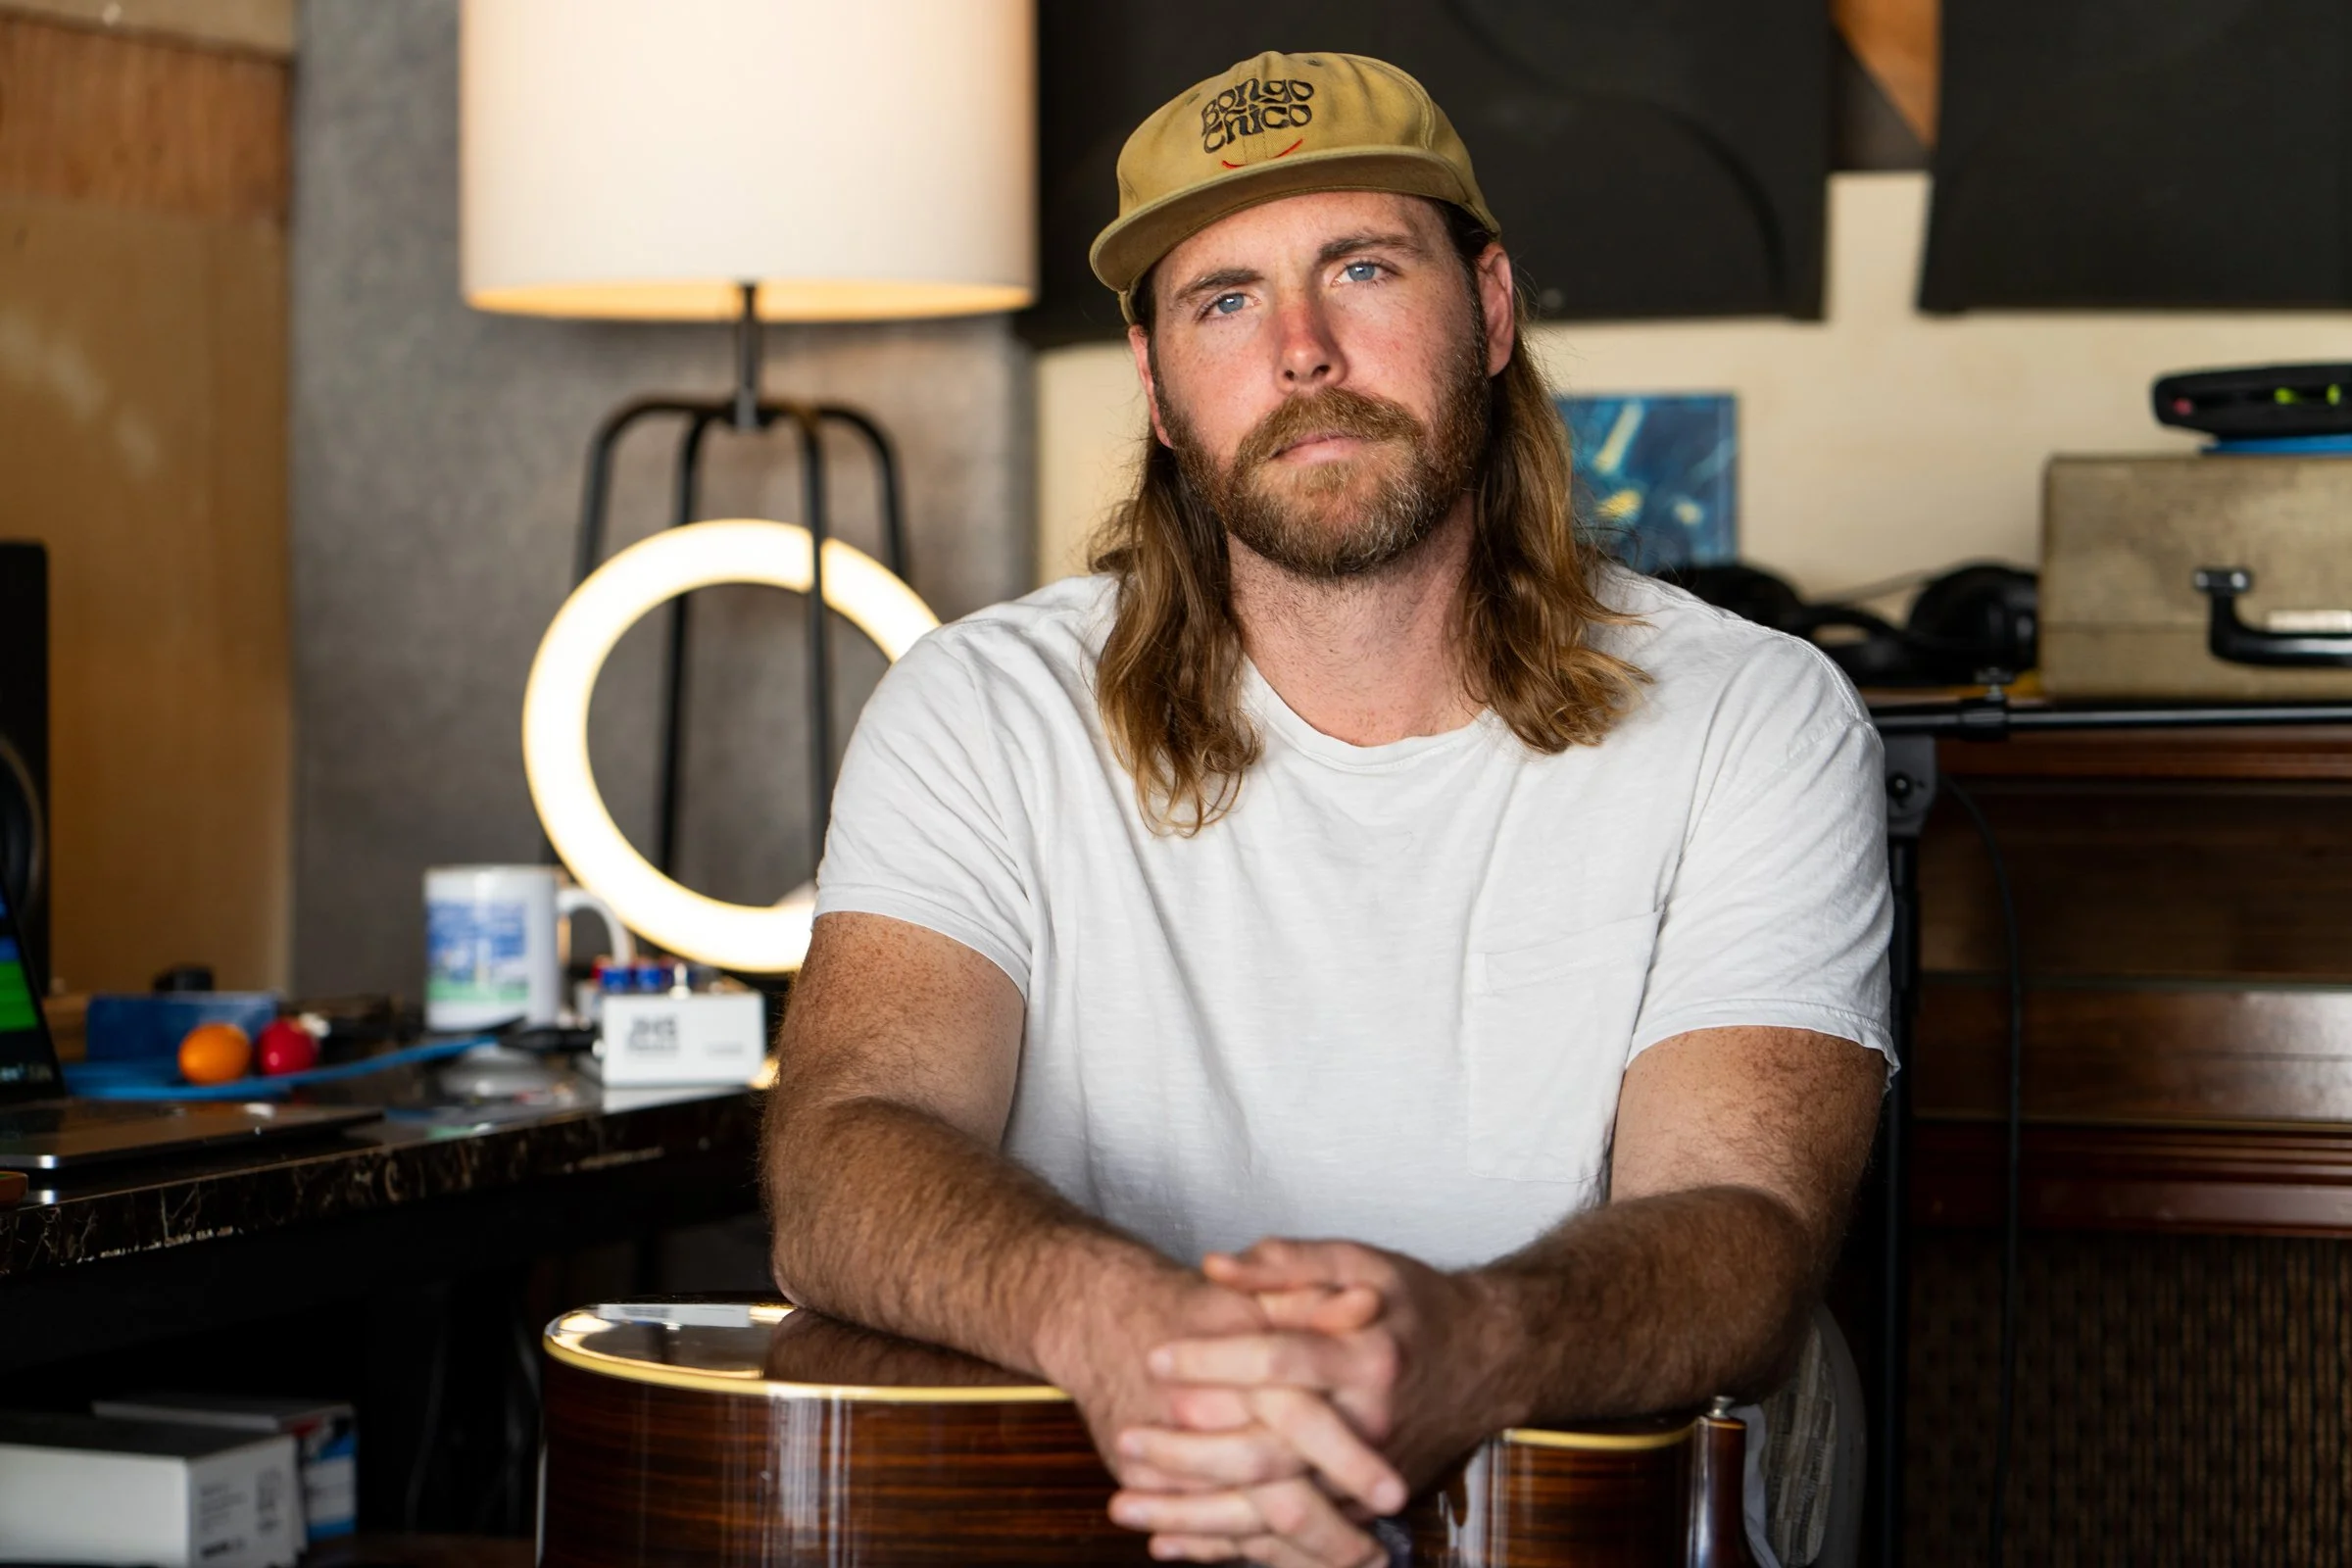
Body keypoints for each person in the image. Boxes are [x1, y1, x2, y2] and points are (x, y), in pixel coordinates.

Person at [763, 49, 1892, 1568]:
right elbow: (843, 1154)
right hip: (1121, 1490)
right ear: (1159, 388)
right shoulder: (980, 705)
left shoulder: (1755, 715)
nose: (1301, 351)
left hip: (1551, 1498)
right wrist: (1125, 1328)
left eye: (1361, 267)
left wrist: (1465, 1347)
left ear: (1488, 311)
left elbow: (1745, 1239)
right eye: (1223, 298)